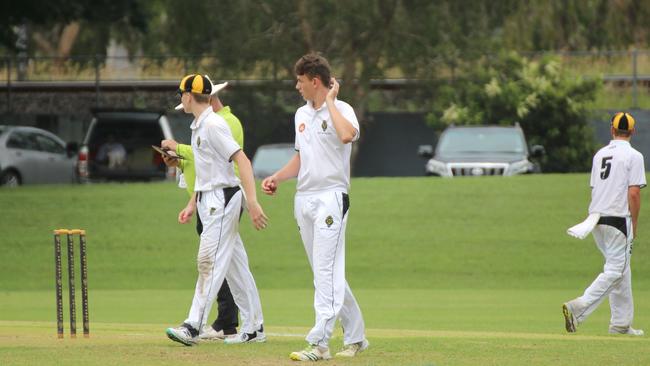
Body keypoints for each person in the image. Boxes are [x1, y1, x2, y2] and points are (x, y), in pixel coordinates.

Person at [261, 53, 368, 361]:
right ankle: (357, 337)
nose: (297, 86)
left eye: (300, 81)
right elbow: (301, 158)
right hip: (304, 199)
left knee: (325, 272)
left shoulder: (343, 109)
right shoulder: (300, 115)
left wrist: (331, 102)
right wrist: (278, 178)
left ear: (315, 81)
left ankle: (319, 343)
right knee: (325, 272)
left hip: (331, 197)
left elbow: (347, 135)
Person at [165, 74, 267, 346]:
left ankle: (192, 326)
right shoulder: (199, 125)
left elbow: (242, 160)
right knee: (235, 267)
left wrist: (253, 201)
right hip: (210, 199)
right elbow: (205, 170)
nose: (181, 99)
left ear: (189, 96)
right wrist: (192, 202)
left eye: (181, 95)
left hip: (222, 199)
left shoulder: (213, 125)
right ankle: (255, 327)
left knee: (208, 262)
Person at [563, 112, 646, 336]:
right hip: (619, 219)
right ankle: (579, 307)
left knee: (621, 269)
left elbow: (595, 188)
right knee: (616, 271)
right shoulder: (634, 156)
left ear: (611, 130)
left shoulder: (600, 155)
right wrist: (634, 223)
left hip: (596, 218)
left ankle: (620, 324)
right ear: (633, 131)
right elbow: (635, 193)